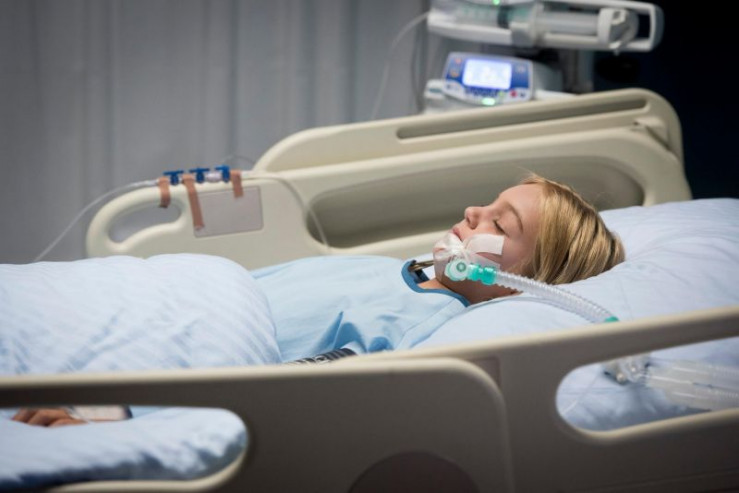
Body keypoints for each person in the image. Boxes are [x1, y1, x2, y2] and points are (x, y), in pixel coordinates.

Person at [11, 174, 625, 427]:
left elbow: (278, 391)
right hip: (171, 300)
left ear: (526, 280)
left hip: (176, 364)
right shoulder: (403, 273)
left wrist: (117, 414)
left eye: (500, 223)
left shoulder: (422, 328)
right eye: (487, 203)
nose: (472, 211)